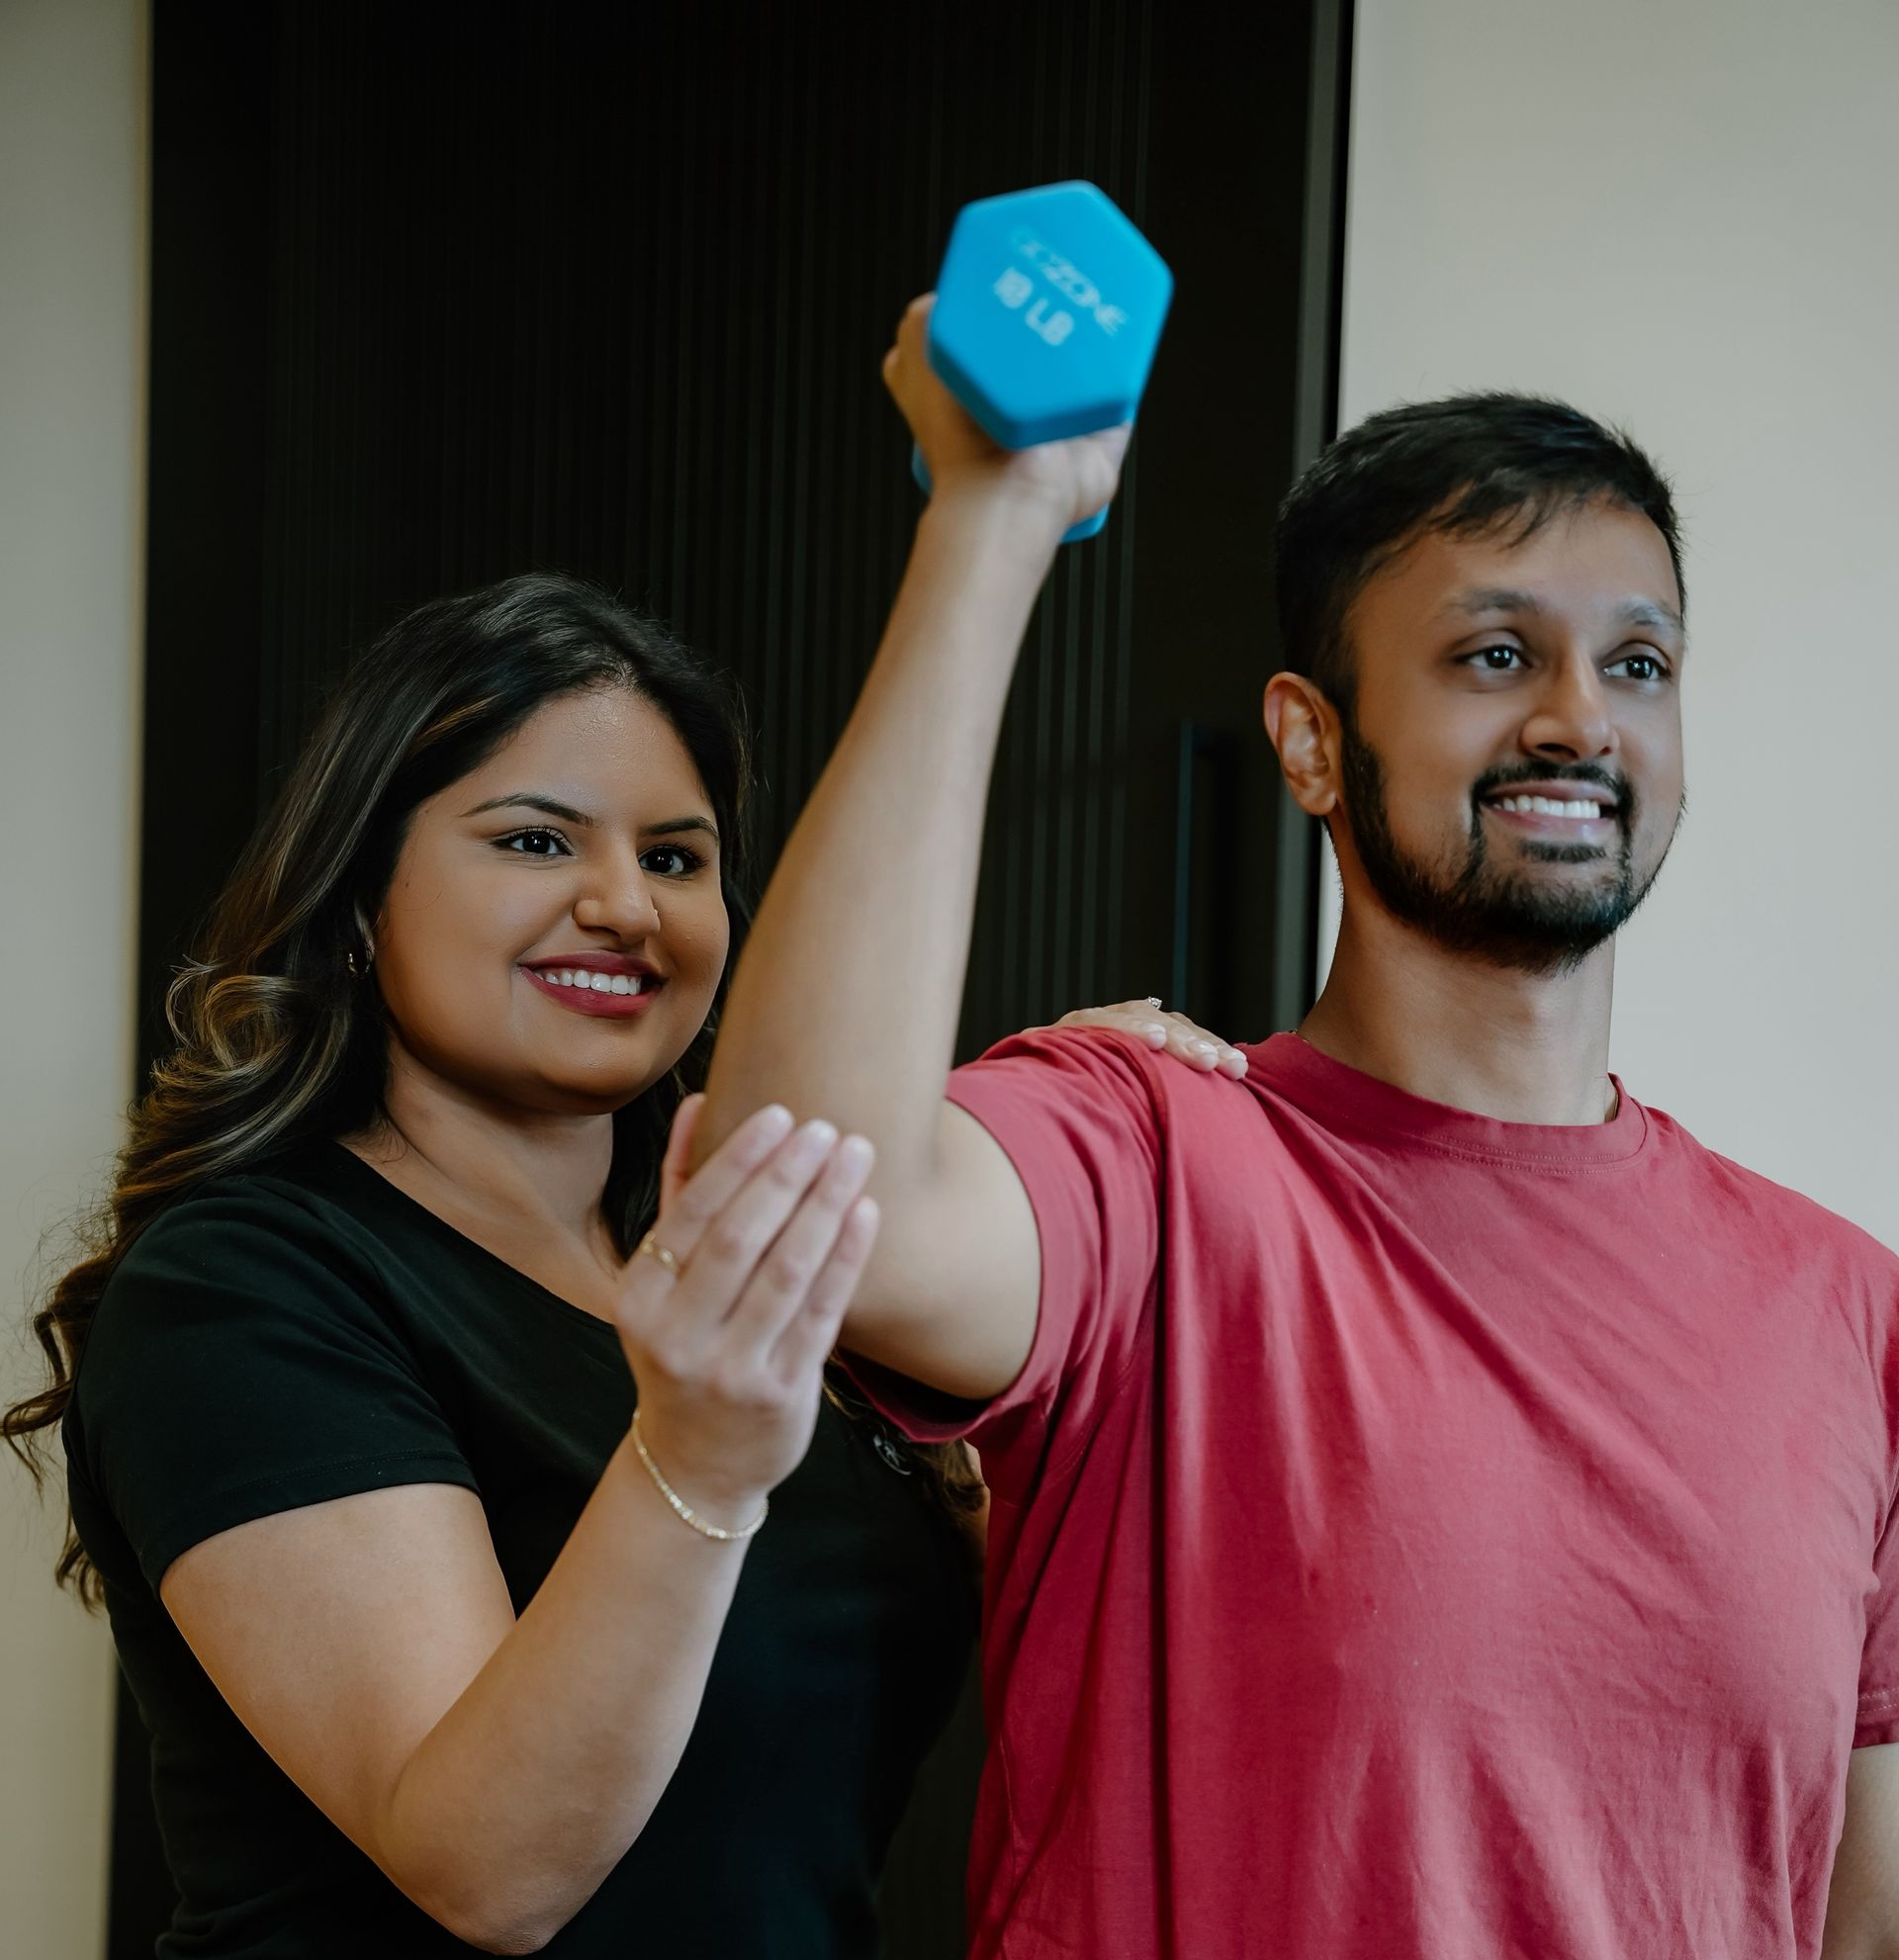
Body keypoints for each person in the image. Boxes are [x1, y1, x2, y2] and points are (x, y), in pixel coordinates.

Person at [691, 299, 1899, 1959]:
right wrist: (993, 517)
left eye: (1638, 662)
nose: (1577, 719)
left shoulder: (1847, 1309)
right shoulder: (1154, 1160)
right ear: (1310, 741)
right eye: (1494, 653)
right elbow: (801, 1187)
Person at [2, 571, 1240, 1958]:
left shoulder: (745, 1278)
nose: (625, 907)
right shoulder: (241, 1286)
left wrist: (1072, 1156)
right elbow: (485, 1867)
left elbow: (1092, 1604)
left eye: (675, 856)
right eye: (535, 842)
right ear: (360, 899)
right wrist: (697, 1459)